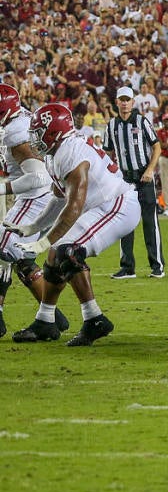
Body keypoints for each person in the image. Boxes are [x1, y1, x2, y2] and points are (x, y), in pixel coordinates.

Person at [3, 103, 139, 347]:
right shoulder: (57, 152)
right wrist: (34, 227)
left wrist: (43, 241)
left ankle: (94, 318)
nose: (34, 138)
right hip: (101, 206)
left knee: (68, 250)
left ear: (54, 131)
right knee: (56, 255)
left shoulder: (70, 152)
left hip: (118, 205)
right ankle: (45, 321)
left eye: (39, 131)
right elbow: (57, 197)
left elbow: (73, 207)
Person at [0, 83, 69, 338]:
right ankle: (51, 317)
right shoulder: (18, 120)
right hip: (35, 198)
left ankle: (47, 319)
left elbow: (38, 178)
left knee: (5, 248)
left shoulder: (14, 134)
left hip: (35, 198)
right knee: (20, 257)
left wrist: (1, 188)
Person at [104, 86, 164, 279]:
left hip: (143, 176)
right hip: (124, 178)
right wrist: (110, 175)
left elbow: (157, 147)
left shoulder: (142, 121)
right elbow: (107, 153)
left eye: (127, 99)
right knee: (125, 222)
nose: (124, 102)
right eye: (121, 99)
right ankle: (127, 267)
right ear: (116, 102)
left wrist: (150, 170)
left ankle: (157, 266)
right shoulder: (111, 126)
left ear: (132, 102)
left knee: (149, 221)